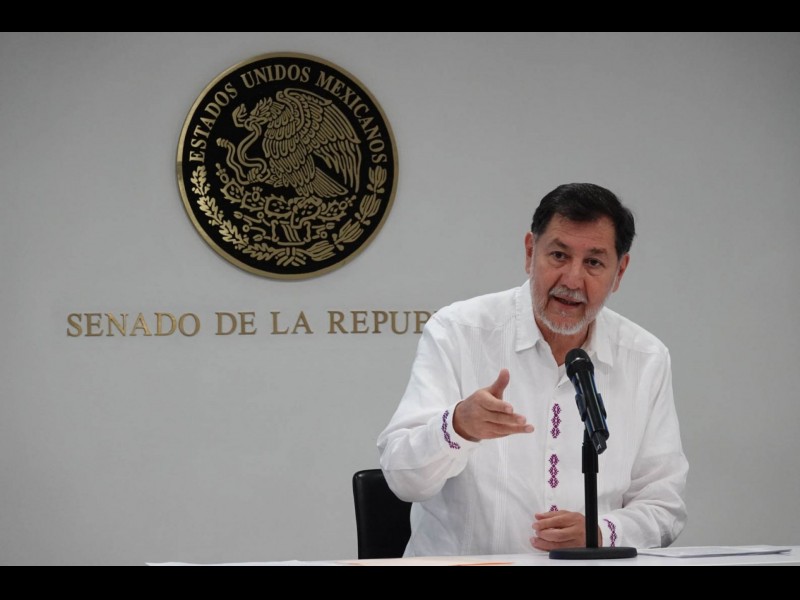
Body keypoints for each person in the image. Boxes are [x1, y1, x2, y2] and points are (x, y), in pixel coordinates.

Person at [377, 183, 688, 556]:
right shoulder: (457, 332)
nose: (572, 280)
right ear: (530, 252)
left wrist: (601, 532)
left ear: (619, 272)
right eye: (558, 255)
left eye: (593, 263)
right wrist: (457, 427)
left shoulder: (646, 358)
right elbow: (402, 478)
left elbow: (664, 506)